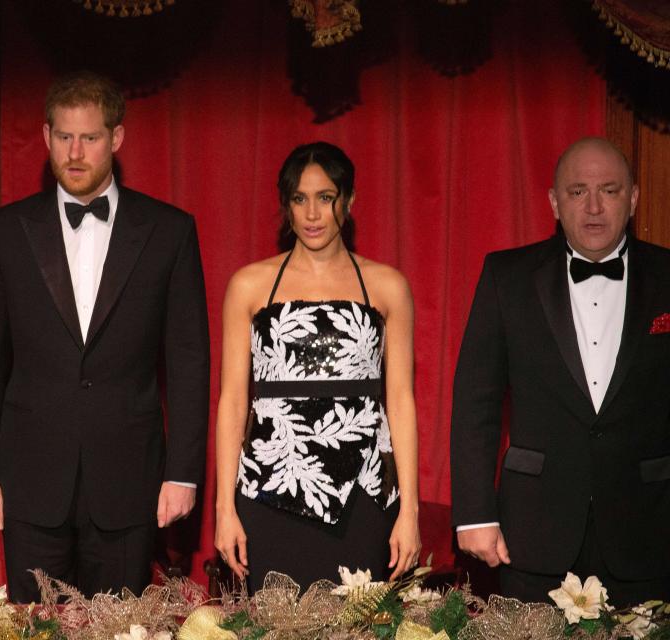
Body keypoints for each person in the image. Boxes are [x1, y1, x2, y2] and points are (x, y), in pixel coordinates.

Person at [0, 71, 210, 602]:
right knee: (31, 633)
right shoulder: (4, 231)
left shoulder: (169, 231)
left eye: (90, 138)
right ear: (47, 136)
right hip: (29, 480)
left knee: (121, 631)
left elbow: (189, 361)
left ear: (116, 139)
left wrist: (183, 473)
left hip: (130, 479)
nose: (75, 152)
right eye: (64, 137)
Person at [451, 137, 670, 607]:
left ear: (632, 198)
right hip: (532, 535)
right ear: (554, 201)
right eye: (577, 192)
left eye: (609, 190)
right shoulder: (505, 276)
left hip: (650, 531)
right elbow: (476, 402)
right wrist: (473, 515)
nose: (593, 206)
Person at [214, 142, 421, 591]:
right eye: (299, 199)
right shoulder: (249, 285)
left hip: (364, 494)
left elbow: (401, 401)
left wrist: (410, 512)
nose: (312, 213)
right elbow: (232, 400)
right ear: (285, 205)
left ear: (349, 201)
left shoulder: (388, 286)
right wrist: (224, 509)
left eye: (325, 198)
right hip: (267, 487)